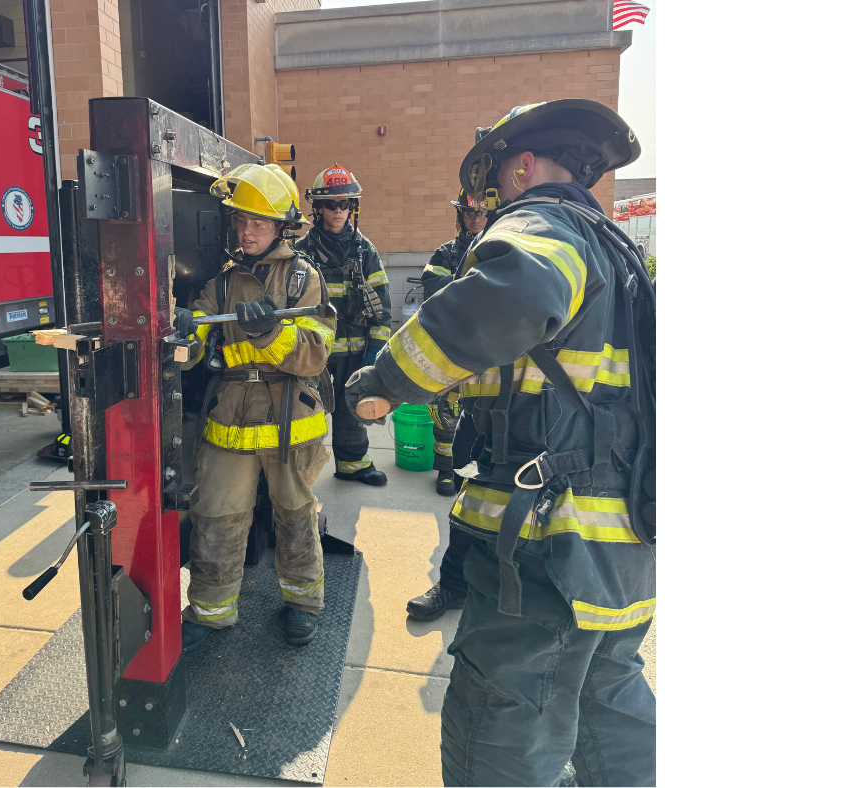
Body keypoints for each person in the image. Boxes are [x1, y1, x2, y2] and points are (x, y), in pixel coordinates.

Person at [346, 99, 657, 786]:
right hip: (620, 549)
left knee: (499, 735)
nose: (487, 210)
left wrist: (387, 379)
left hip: (546, 553)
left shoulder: (540, 223)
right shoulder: (618, 252)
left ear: (519, 168)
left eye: (490, 193)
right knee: (611, 714)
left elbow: (510, 296)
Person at [173, 163, 336, 649]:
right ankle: (211, 611)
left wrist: (270, 332)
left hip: (291, 420)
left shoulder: (304, 279)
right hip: (230, 418)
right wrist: (183, 332)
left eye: (259, 222)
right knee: (217, 515)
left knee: (294, 515)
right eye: (241, 221)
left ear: (282, 227)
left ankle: (304, 604)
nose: (247, 231)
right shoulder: (220, 285)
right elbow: (192, 355)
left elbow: (315, 353)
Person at [295, 164, 392, 487]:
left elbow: (382, 310)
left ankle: (353, 466)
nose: (338, 211)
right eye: (330, 204)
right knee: (305, 414)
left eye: (345, 204)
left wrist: (374, 355)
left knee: (352, 412)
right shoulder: (301, 253)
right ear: (317, 207)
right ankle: (297, 477)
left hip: (355, 354)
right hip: (313, 357)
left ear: (353, 207)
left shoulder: (366, 252)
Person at [421, 189, 487, 496]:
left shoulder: (499, 252)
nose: (476, 219)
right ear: (460, 214)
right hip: (450, 349)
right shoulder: (444, 254)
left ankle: (477, 469)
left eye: (482, 213)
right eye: (470, 212)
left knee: (483, 411)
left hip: (488, 349)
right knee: (445, 414)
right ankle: (446, 471)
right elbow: (436, 292)